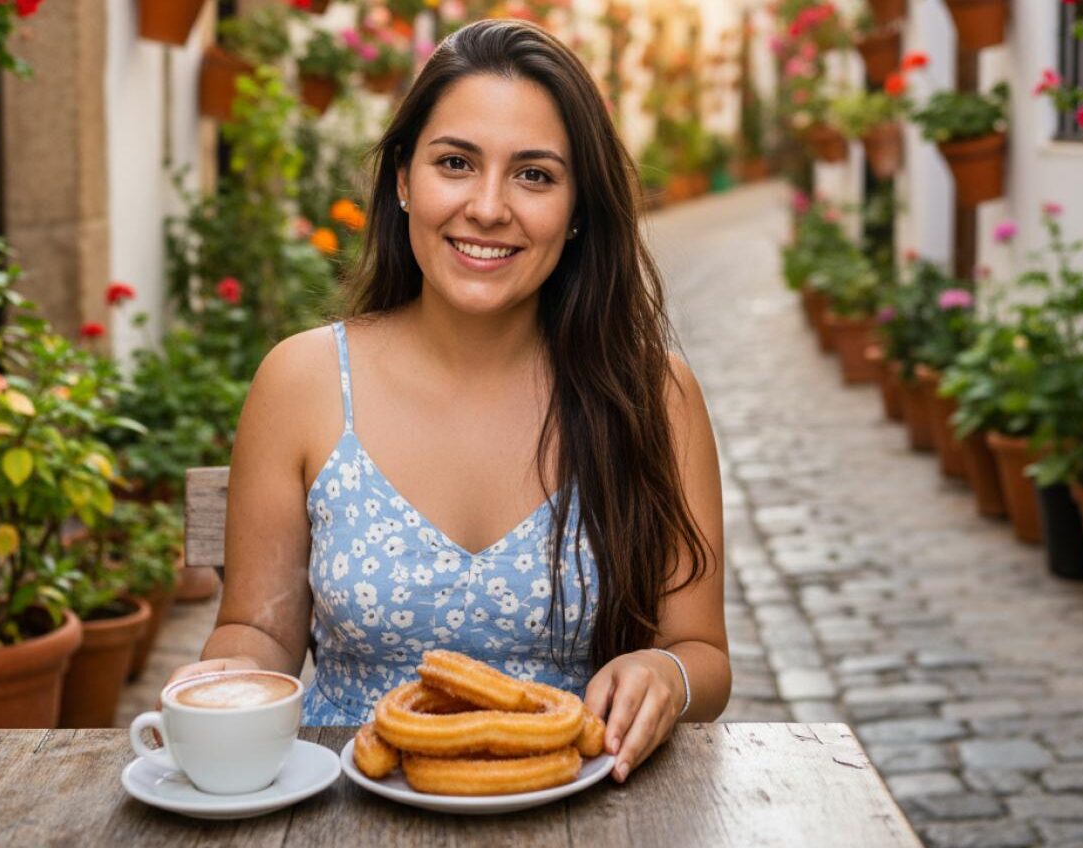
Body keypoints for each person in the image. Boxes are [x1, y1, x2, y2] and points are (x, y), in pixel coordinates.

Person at [165, 18, 729, 785]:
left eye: (534, 175)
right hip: (348, 811)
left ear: (578, 212)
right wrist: (219, 698)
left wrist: (670, 674)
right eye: (456, 163)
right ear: (402, 180)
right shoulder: (301, 383)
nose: (488, 207)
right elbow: (254, 634)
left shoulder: (653, 397)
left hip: (577, 805)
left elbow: (702, 653)